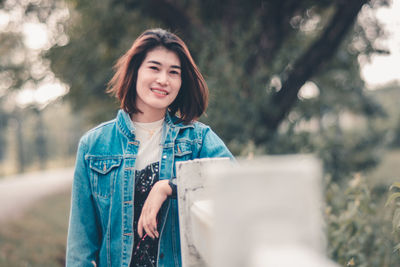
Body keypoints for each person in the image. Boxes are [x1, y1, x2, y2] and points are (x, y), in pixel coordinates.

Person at [66, 28, 233, 267]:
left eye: (173, 72)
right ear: (135, 72)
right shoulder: (94, 146)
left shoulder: (197, 139)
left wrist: (169, 186)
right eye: (154, 68)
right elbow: (79, 248)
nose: (163, 80)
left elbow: (235, 183)